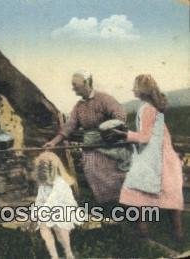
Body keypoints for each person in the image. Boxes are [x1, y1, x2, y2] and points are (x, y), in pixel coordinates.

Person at [116, 74, 184, 241]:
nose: (133, 89)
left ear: (142, 90)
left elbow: (145, 137)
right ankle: (178, 233)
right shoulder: (154, 107)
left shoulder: (146, 108)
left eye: (135, 86)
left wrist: (124, 135)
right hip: (165, 157)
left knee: (136, 194)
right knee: (170, 195)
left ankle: (143, 232)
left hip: (153, 159)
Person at [44, 70, 127, 203]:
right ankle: (108, 206)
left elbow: (120, 115)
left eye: (75, 85)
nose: (73, 88)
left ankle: (124, 203)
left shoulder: (104, 99)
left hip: (110, 145)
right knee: (91, 169)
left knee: (116, 174)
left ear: (87, 83)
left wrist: (107, 130)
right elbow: (69, 125)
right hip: (91, 148)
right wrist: (53, 142)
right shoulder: (79, 106)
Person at [32, 152, 81, 259]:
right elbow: (39, 201)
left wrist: (41, 213)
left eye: (47, 180)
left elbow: (51, 202)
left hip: (64, 209)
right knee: (43, 226)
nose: (45, 183)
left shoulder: (60, 184)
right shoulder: (43, 184)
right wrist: (35, 214)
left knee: (58, 226)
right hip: (49, 210)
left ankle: (68, 252)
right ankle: (54, 256)